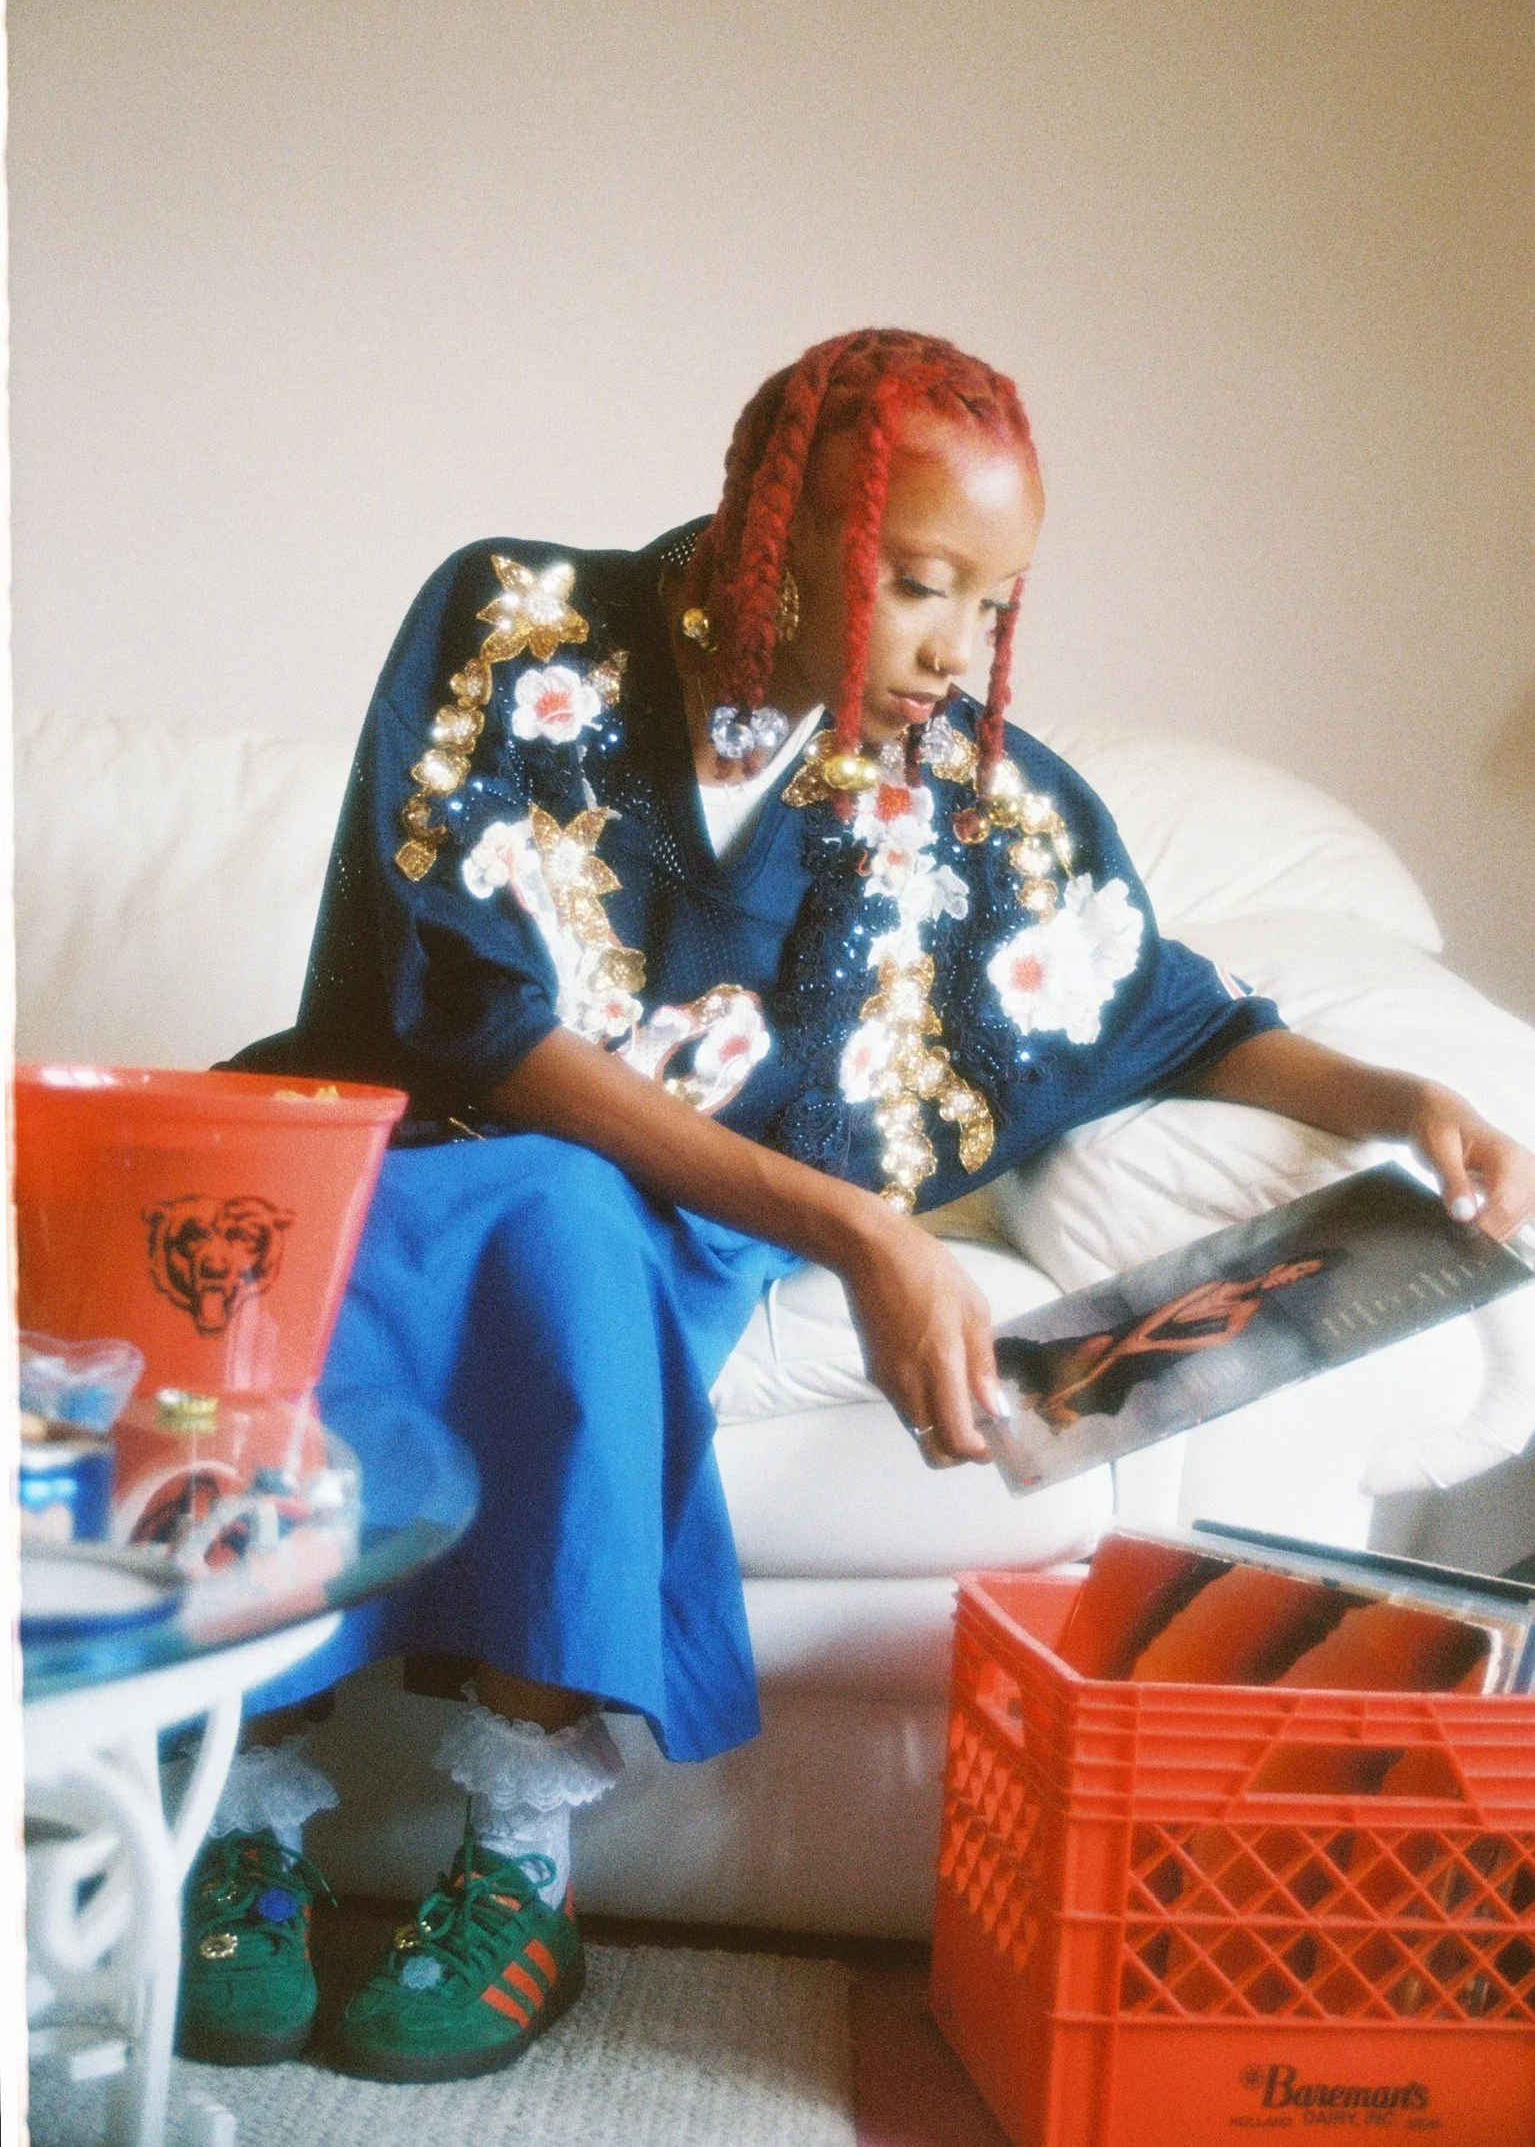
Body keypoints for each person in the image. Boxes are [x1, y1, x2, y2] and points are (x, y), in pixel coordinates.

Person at [178, 329, 1535, 2081]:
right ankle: (246, 1818)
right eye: (916, 584)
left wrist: (1394, 1098)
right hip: (389, 1131)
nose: (955, 649)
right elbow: (476, 1019)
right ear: (774, 521)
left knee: (571, 1225)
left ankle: (517, 1867)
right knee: (295, 1222)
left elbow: (1163, 1008)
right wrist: (864, 1228)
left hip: (636, 1227)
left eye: (992, 603)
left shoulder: (959, 799)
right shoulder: (509, 625)